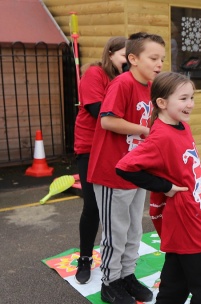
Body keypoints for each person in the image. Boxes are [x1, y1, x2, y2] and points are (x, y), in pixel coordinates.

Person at [116, 72, 201, 304]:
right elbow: (124, 167)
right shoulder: (160, 137)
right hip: (186, 220)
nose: (190, 104)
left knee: (177, 278)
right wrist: (163, 185)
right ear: (162, 102)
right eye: (183, 98)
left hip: (192, 214)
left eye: (192, 97)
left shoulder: (180, 126)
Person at [87, 32, 165, 304]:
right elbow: (108, 122)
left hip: (136, 170)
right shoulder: (122, 84)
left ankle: (127, 275)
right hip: (113, 172)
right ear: (133, 59)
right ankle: (110, 283)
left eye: (162, 59)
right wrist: (144, 130)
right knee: (115, 231)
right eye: (153, 58)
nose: (159, 64)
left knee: (133, 229)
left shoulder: (152, 87)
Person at [73, 36, 127, 284]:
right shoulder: (95, 74)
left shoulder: (125, 80)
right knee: (93, 206)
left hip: (116, 148)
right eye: (125, 56)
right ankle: (85, 258)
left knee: (117, 207)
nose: (128, 61)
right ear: (112, 53)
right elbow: (99, 112)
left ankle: (117, 260)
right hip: (90, 147)